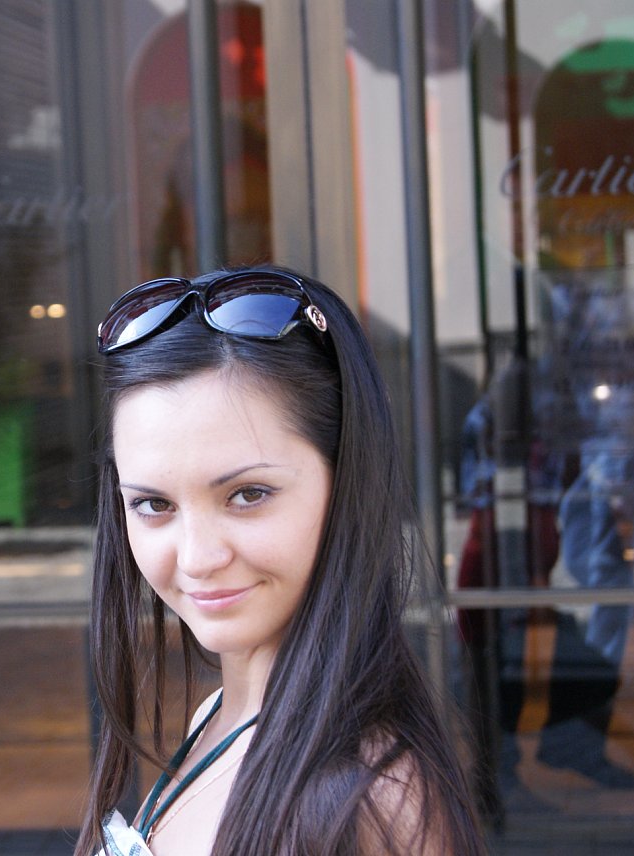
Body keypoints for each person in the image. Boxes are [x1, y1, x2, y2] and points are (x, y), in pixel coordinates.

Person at [75, 266, 485, 855]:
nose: (198, 558)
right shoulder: (215, 717)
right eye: (153, 504)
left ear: (346, 482)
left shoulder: (375, 795)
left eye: (248, 495)